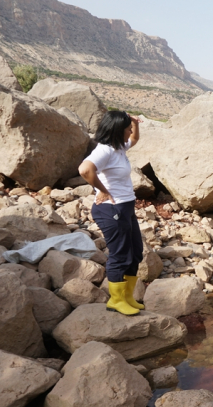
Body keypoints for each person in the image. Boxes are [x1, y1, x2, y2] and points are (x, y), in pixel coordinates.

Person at [78, 111, 144, 316]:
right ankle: (116, 300)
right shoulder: (104, 150)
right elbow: (85, 169)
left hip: (126, 207)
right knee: (120, 255)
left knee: (135, 253)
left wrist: (134, 122)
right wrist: (103, 191)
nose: (130, 131)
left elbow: (134, 139)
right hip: (111, 210)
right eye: (127, 128)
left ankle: (127, 297)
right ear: (117, 130)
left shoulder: (119, 147)